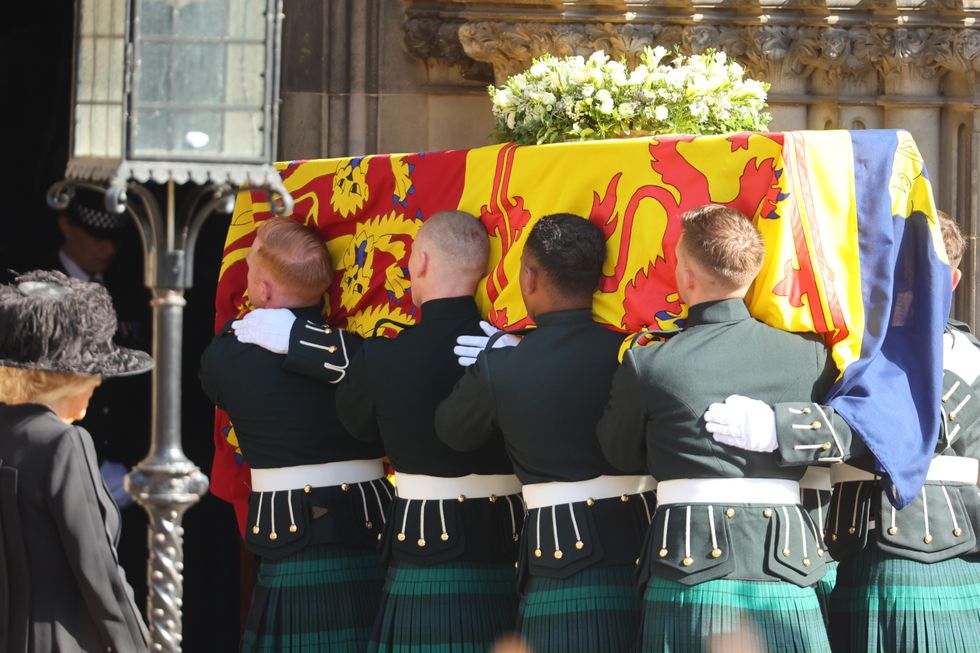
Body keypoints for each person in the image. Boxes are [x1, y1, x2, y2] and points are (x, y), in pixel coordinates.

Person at [705, 209, 980, 652]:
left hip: (923, 556)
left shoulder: (960, 354)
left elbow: (903, 425)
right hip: (843, 550)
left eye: (913, 279)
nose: (900, 292)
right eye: (893, 275)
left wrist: (780, 428)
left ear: (949, 282)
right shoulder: (857, 345)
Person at [597, 204, 839, 652]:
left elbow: (620, 453)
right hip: (788, 561)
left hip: (687, 561)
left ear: (685, 276)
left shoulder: (648, 362)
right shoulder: (810, 357)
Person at [434, 213, 656, 653]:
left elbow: (452, 432)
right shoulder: (630, 353)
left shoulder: (501, 366)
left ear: (529, 277)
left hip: (558, 556)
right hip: (641, 549)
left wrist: (496, 363)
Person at [199, 218, 391, 653]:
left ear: (263, 291)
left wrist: (293, 339)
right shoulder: (357, 349)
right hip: (367, 525)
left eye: (249, 271)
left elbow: (217, 388)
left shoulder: (227, 355)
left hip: (287, 530)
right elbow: (376, 369)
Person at [0, 269, 151, 653]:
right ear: (68, 377)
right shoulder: (65, 443)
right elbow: (101, 575)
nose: (98, 386)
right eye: (94, 376)